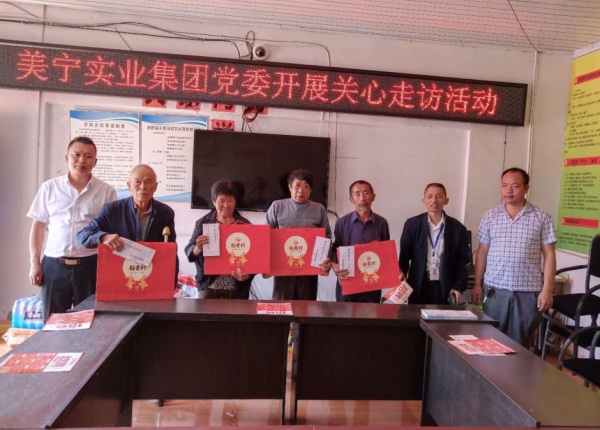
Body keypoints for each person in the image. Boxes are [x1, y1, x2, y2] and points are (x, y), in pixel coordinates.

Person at [27, 136, 117, 321]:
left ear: (95, 162)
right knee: (52, 322)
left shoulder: (106, 191)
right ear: (67, 158)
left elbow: (109, 232)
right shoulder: (49, 188)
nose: (82, 160)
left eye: (88, 156)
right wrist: (35, 263)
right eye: (76, 155)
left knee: (91, 321)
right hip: (54, 266)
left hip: (90, 266)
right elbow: (38, 227)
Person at [473, 167, 556, 347]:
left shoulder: (541, 217)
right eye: (504, 185)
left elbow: (549, 254)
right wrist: (477, 284)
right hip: (495, 289)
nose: (508, 191)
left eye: (515, 186)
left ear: (526, 188)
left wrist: (547, 289)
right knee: (490, 340)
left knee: (520, 343)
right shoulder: (490, 216)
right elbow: (482, 251)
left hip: (527, 290)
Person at [77, 164, 178, 283]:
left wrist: (171, 282)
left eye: (148, 182)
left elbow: (170, 250)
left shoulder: (165, 213)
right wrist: (103, 237)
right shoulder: (112, 210)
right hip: (119, 277)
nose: (143, 187)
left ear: (155, 187)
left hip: (150, 277)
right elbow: (82, 237)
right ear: (129, 186)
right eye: (137, 182)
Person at [398, 183, 470, 304]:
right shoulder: (412, 225)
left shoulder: (458, 228)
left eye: (438, 196)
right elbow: (404, 256)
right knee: (415, 315)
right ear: (423, 201)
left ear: (446, 201)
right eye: (430, 196)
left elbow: (462, 262)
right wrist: (401, 282)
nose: (434, 200)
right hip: (418, 284)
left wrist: (458, 286)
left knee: (442, 316)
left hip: (445, 285)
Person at [266, 169, 331, 300]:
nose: (301, 190)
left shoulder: (319, 209)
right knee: (281, 306)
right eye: (297, 186)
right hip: (283, 268)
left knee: (306, 306)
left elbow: (327, 236)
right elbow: (265, 235)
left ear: (311, 190)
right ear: (290, 187)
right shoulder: (277, 206)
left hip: (309, 269)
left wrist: (326, 259)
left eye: (306, 186)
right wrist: (265, 264)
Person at [184, 180, 253, 299]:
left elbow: (253, 256)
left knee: (236, 312)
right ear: (214, 201)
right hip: (208, 284)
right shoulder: (203, 223)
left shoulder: (245, 225)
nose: (226, 205)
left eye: (230, 200)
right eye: (221, 201)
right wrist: (197, 248)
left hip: (236, 286)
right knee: (205, 312)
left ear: (235, 201)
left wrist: (249, 274)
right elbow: (189, 251)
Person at [332, 180, 390, 303]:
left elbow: (386, 253)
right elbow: (335, 250)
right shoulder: (341, 223)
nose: (362, 198)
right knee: (344, 314)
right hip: (347, 281)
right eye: (357, 194)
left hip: (372, 284)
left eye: (366, 193)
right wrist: (334, 267)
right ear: (351, 199)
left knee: (371, 314)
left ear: (373, 197)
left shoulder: (381, 223)